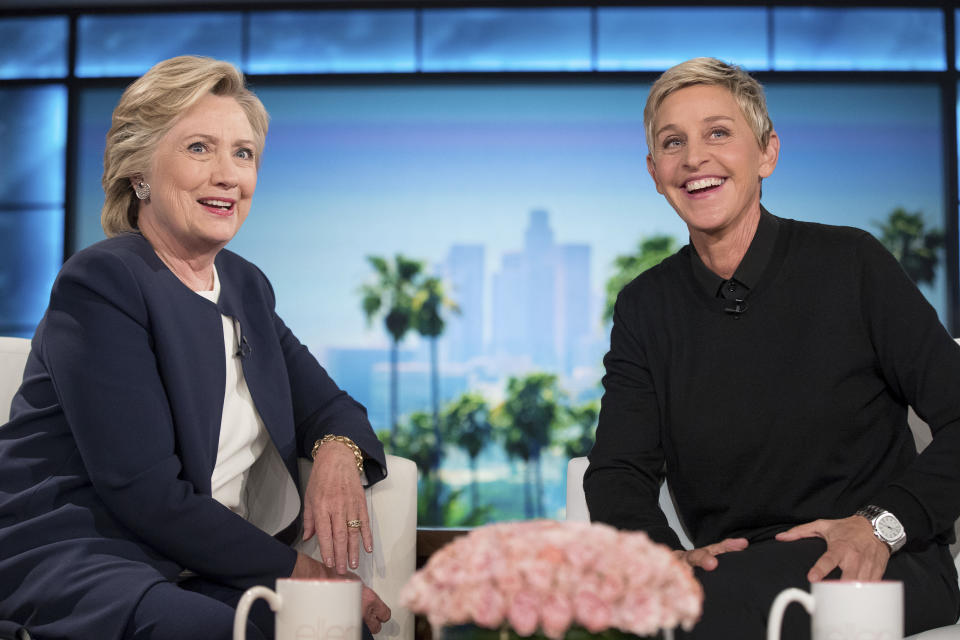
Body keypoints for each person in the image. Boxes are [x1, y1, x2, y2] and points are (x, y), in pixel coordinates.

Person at [0, 56, 392, 640]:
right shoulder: (103, 282)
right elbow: (145, 494)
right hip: (85, 553)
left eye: (243, 154)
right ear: (139, 174)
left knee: (333, 629)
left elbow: (330, 405)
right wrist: (304, 571)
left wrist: (336, 453)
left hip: (192, 563)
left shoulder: (244, 286)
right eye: (199, 149)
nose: (228, 175)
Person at [585, 57, 960, 639]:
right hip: (736, 573)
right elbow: (617, 471)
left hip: (885, 561)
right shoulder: (645, 305)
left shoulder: (852, 264)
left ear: (766, 154)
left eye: (718, 133)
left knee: (709, 613)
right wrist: (662, 559)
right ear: (656, 172)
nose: (694, 158)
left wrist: (880, 525)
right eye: (672, 142)